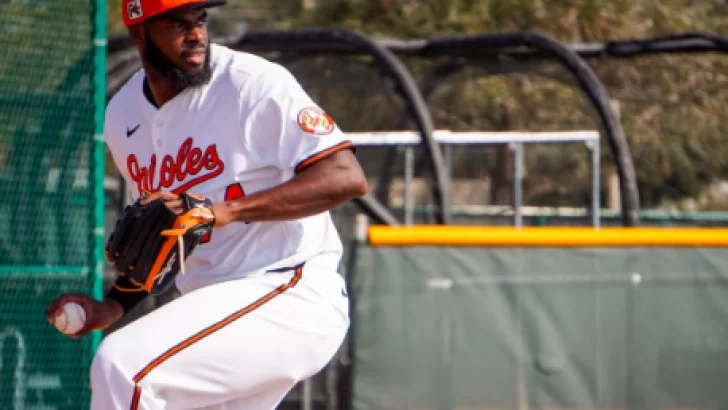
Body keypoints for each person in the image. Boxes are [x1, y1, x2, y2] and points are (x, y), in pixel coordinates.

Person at [46, 0, 368, 408]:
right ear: (139, 33)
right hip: (210, 311)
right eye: (178, 23)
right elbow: (157, 239)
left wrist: (225, 212)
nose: (196, 34)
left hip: (288, 290)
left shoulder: (251, 83)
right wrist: (112, 306)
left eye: (200, 20)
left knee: (122, 367)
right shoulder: (123, 116)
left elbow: (346, 176)